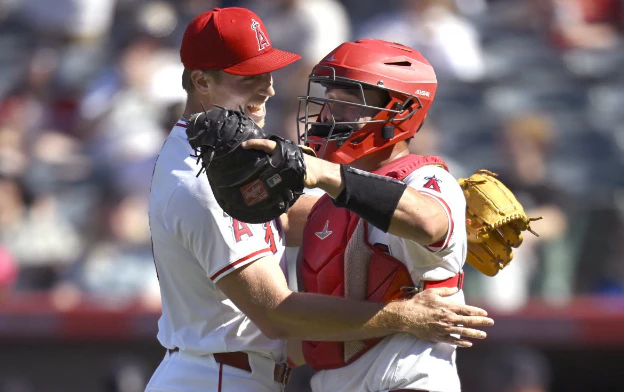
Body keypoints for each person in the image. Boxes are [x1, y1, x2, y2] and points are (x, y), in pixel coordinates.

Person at [146, 8, 492, 392]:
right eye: (249, 77)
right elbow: (277, 313)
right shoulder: (204, 177)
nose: (268, 88)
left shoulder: (219, 156)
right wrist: (404, 316)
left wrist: (442, 220)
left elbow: (291, 220)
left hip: (233, 371)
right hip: (218, 376)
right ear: (201, 82)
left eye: (268, 71)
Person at [244, 39, 470, 391]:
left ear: (403, 110)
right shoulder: (330, 202)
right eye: (330, 99)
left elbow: (429, 222)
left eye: (350, 102)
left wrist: (320, 172)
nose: (331, 114)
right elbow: (273, 220)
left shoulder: (426, 178)